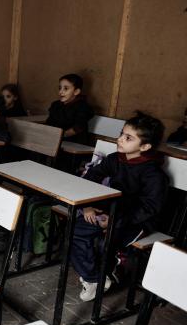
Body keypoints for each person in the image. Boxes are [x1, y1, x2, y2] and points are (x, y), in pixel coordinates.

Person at [70, 112, 168, 302]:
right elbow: (91, 178)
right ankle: (95, 278)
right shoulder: (116, 159)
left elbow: (149, 208)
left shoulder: (153, 174)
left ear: (145, 146)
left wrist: (114, 221)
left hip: (137, 222)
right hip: (110, 212)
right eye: (121, 134)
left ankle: (98, 274)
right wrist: (88, 205)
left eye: (128, 138)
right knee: (75, 229)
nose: (119, 139)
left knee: (99, 240)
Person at [45, 73, 94, 144]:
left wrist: (58, 136)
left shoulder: (82, 107)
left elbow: (78, 128)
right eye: (60, 88)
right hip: (54, 139)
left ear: (76, 91)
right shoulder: (56, 105)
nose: (60, 92)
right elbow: (50, 122)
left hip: (74, 142)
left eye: (66, 88)